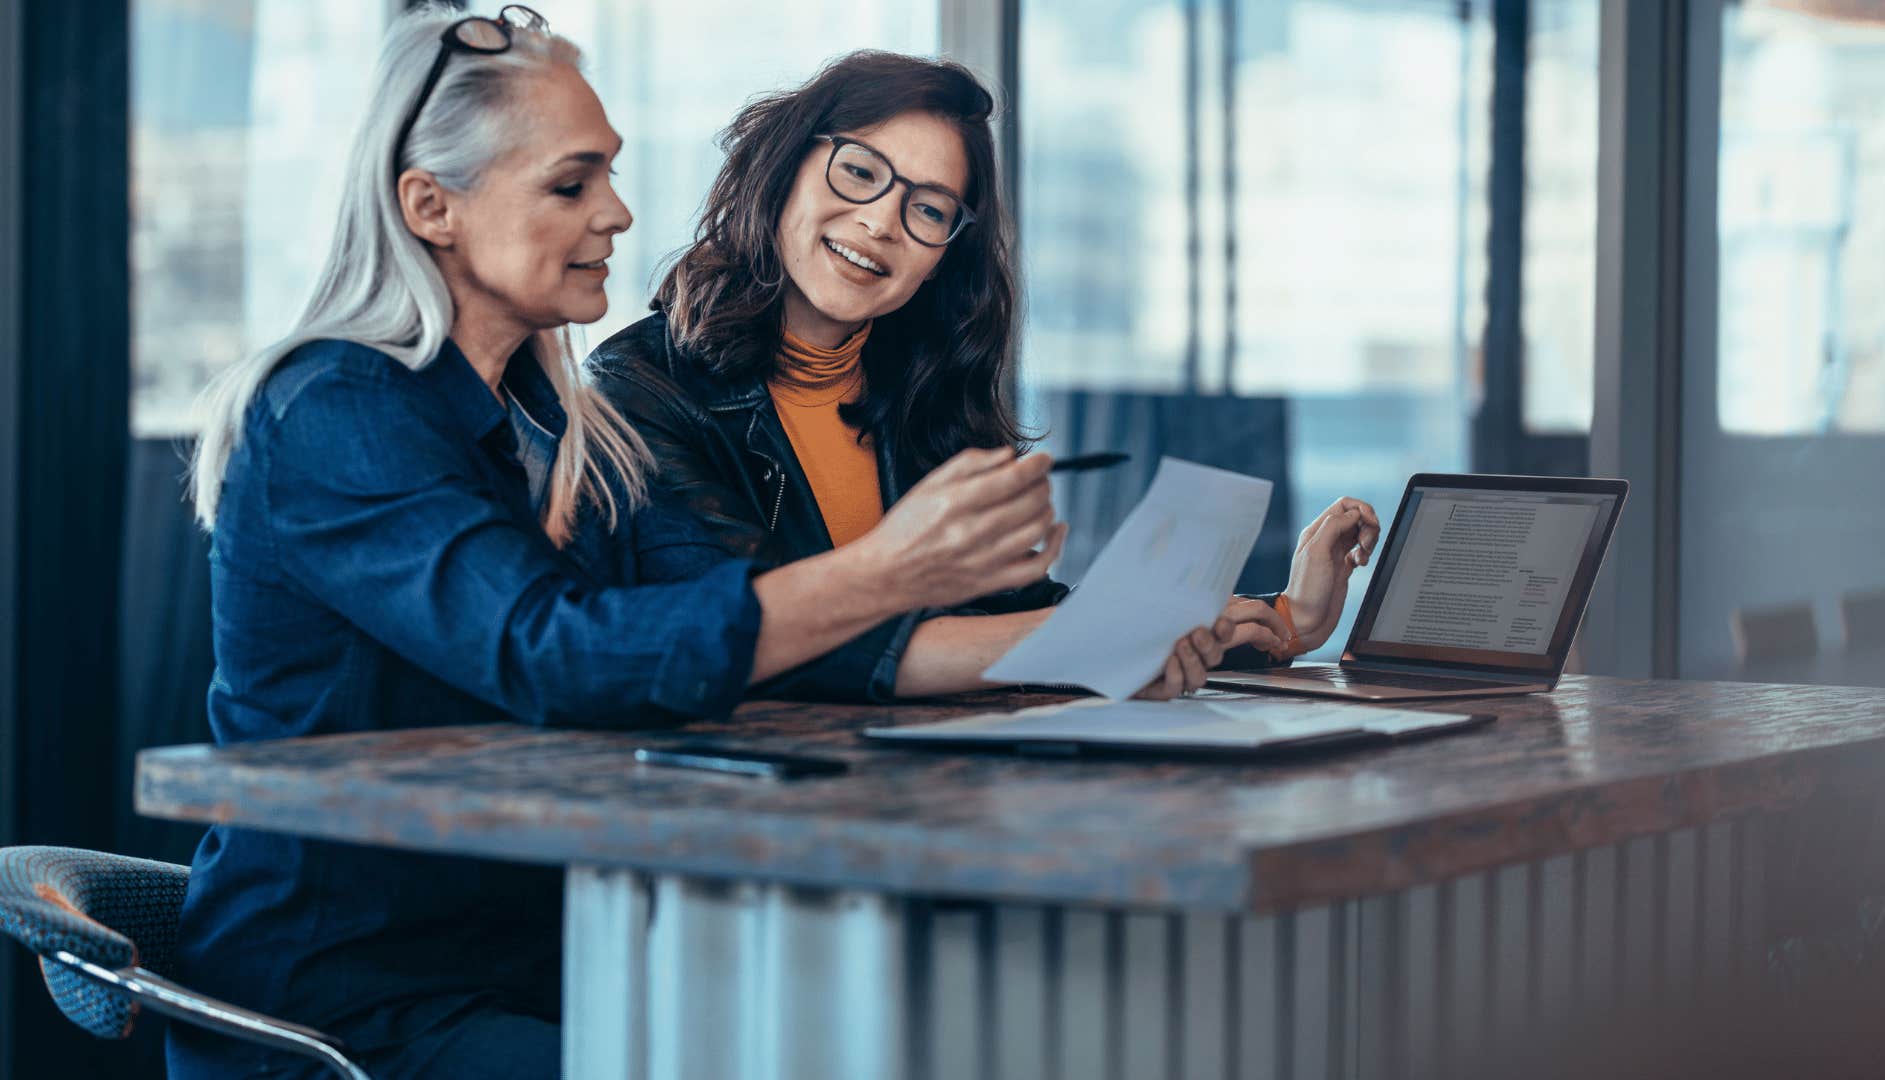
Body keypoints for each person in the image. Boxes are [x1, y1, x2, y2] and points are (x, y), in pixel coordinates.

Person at [170, 10, 1239, 1078]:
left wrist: (1125, 637)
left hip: (540, 956)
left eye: (611, 178)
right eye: (571, 185)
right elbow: (557, 655)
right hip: (353, 1002)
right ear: (430, 205)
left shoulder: (555, 425)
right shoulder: (332, 409)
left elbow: (727, 620)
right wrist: (891, 571)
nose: (619, 215)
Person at [591, 50, 1381, 698]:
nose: (880, 222)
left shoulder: (922, 396)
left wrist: (1282, 618)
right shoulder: (636, 390)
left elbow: (1017, 618)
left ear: (943, 259)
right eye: (859, 171)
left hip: (933, 796)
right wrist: (1099, 642)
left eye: (929, 209)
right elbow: (763, 638)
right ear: (784, 168)